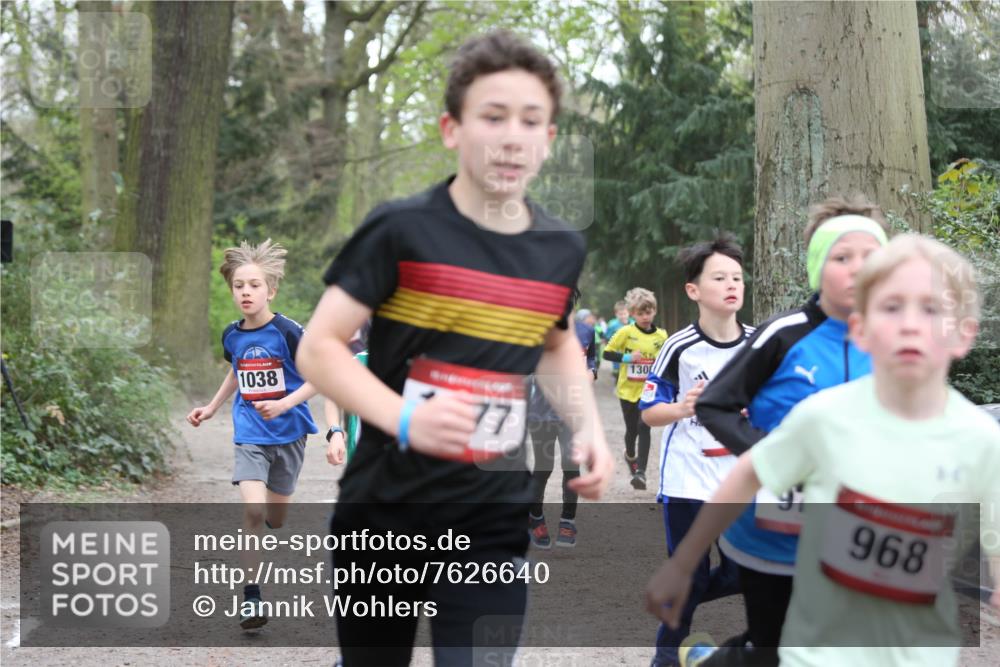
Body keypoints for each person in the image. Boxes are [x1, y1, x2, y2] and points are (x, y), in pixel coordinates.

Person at [296, 30, 613, 666]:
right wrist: (406, 416)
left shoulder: (558, 248)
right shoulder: (401, 228)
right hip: (385, 511)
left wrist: (589, 427)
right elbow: (320, 349)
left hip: (493, 516)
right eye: (492, 117)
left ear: (549, 140)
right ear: (452, 129)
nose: (511, 136)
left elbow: (553, 344)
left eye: (531, 120)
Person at [646, 234, 1000, 667]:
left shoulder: (982, 440)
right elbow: (751, 470)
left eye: (930, 309)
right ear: (861, 330)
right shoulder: (822, 416)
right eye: (891, 308)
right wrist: (682, 565)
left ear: (964, 335)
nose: (910, 324)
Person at [686, 196, 890, 663]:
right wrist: (773, 458)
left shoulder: (895, 341)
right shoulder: (783, 335)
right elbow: (716, 405)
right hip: (771, 536)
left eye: (871, 258)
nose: (858, 269)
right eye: (842, 257)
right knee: (773, 650)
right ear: (819, 267)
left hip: (855, 532)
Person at [185, 238, 318, 630]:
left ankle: (274, 519)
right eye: (239, 286)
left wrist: (284, 404)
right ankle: (251, 597)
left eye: (254, 285)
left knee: (276, 516)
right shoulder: (232, 335)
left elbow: (319, 377)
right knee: (253, 510)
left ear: (270, 290)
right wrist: (211, 407)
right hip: (250, 433)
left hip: (290, 433)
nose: (246, 292)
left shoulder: (290, 332)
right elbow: (237, 370)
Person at [639, 235, 754, 666]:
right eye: (720, 277)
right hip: (688, 478)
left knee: (744, 570)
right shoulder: (679, 348)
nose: (732, 285)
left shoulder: (759, 344)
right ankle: (666, 657)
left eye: (737, 277)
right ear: (694, 290)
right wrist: (683, 406)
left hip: (742, 478)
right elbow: (649, 412)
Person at [528, 305, 598, 549]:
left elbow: (591, 359)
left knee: (571, 464)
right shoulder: (537, 330)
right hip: (541, 413)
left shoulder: (586, 330)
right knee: (543, 466)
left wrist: (591, 373)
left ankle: (567, 521)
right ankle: (535, 518)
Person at [603, 287, 668, 489]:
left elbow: (668, 362)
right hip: (627, 390)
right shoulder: (625, 332)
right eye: (640, 313)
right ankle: (629, 454)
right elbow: (607, 354)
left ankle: (640, 472)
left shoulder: (662, 336)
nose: (645, 317)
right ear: (632, 314)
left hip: (648, 392)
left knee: (644, 426)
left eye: (648, 312)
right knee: (632, 430)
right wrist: (628, 358)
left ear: (654, 311)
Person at [604, 300, 631, 377]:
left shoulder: (633, 323)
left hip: (630, 353)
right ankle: (617, 386)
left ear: (629, 313)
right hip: (617, 354)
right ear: (616, 314)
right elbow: (607, 337)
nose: (623, 316)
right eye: (620, 314)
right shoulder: (612, 325)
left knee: (628, 374)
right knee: (617, 374)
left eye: (625, 314)